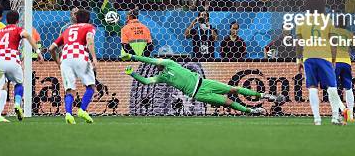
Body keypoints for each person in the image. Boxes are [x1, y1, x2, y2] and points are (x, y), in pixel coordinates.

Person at [121, 53, 283, 114]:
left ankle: (265, 95)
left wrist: (133, 57)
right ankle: (251, 110)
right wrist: (133, 74)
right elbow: (145, 81)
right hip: (199, 94)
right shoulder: (162, 77)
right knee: (229, 102)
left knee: (233, 89)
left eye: (157, 60)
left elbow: (148, 59)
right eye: (156, 61)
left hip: (204, 83)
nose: (157, 61)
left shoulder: (170, 62)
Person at [295, 0, 349, 125]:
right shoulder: (328, 20)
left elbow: (298, 43)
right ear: (322, 5)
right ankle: (335, 117)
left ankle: (317, 119)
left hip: (308, 57)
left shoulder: (301, 21)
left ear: (307, 5)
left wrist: (299, 59)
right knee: (332, 86)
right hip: (324, 57)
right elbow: (333, 41)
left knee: (312, 87)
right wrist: (334, 58)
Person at [0, 11, 42, 123]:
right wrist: (37, 51)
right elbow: (27, 35)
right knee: (18, 84)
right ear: (17, 21)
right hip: (12, 61)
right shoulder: (18, 29)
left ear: (6, 20)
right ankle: (17, 104)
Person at [48, 9, 98, 124]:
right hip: (80, 56)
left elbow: (51, 48)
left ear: (76, 19)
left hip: (65, 59)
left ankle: (69, 114)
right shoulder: (89, 27)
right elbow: (89, 40)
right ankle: (82, 110)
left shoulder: (67, 29)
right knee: (91, 86)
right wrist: (94, 58)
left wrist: (58, 62)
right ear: (88, 19)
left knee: (69, 89)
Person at [330, 26, 355, 121]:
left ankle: (339, 113)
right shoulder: (348, 33)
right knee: (348, 88)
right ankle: (351, 116)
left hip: (335, 62)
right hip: (346, 62)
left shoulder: (332, 33)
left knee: (332, 88)